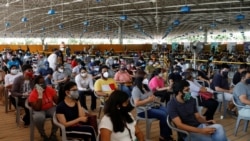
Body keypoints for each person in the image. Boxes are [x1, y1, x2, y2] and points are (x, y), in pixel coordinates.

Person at [131, 70, 174, 141]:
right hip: (144, 110)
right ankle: (164, 137)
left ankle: (166, 135)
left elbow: (152, 95)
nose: (147, 79)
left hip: (152, 106)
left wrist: (153, 98)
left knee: (169, 112)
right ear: (140, 79)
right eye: (145, 77)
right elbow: (136, 103)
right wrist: (148, 100)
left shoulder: (146, 86)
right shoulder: (136, 89)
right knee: (164, 115)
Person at [28, 75, 58, 141]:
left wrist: (55, 94)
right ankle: (43, 134)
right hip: (39, 110)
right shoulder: (33, 94)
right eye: (40, 83)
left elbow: (57, 102)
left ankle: (53, 133)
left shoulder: (49, 89)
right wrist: (40, 95)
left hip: (50, 108)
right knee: (39, 118)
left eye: (44, 82)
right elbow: (37, 108)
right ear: (36, 85)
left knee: (58, 114)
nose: (43, 85)